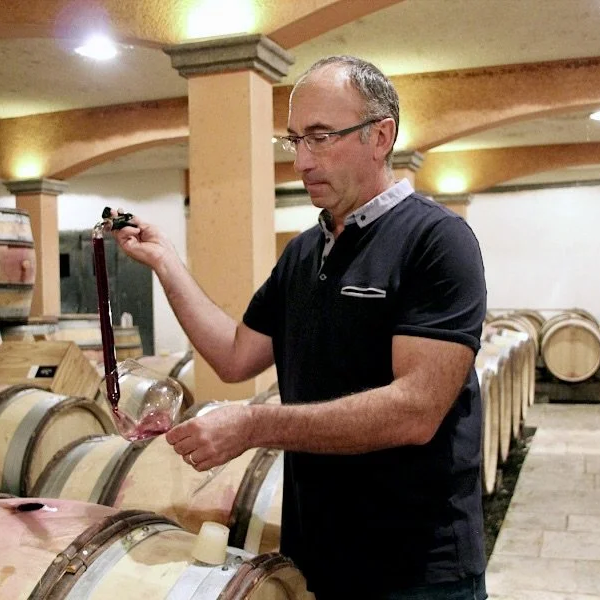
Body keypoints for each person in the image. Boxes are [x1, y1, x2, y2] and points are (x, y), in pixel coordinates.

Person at [112, 55, 488, 599]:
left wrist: (252, 425)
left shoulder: (436, 241)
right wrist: (167, 263)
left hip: (417, 568)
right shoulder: (306, 253)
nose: (301, 162)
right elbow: (235, 356)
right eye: (295, 141)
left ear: (381, 136)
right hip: (315, 556)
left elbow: (415, 411)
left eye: (321, 138)